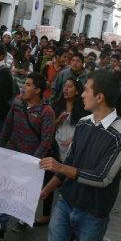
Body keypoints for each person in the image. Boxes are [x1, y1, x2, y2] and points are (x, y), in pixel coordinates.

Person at [39, 70, 121, 241]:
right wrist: (48, 189)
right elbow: (72, 160)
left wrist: (60, 166)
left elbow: (102, 178)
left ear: (100, 97)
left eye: (87, 90)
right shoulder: (83, 123)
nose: (82, 94)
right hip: (65, 205)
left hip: (93, 213)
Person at [0, 72, 55, 241]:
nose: (24, 87)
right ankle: (1, 225)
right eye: (25, 84)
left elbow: (46, 141)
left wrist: (33, 162)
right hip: (14, 153)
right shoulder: (17, 103)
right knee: (9, 188)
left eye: (28, 85)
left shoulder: (47, 112)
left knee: (26, 191)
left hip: (33, 159)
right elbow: (7, 127)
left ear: (37, 90)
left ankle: (23, 218)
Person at [35, 78, 89, 226]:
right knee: (49, 179)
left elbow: (85, 129)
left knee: (67, 182)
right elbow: (49, 126)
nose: (66, 89)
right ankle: (46, 214)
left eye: (70, 87)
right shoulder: (57, 106)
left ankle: (67, 214)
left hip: (73, 150)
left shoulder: (83, 108)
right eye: (64, 86)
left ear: (77, 90)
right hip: (56, 147)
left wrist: (73, 139)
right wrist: (59, 121)